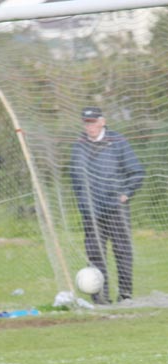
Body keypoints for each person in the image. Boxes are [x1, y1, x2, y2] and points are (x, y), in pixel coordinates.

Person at [70, 106, 145, 304]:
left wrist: (126, 195)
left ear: (102, 121)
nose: (90, 126)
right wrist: (83, 205)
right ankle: (100, 298)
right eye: (86, 122)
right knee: (95, 255)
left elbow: (137, 172)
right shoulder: (78, 146)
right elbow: (75, 179)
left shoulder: (118, 142)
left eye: (93, 122)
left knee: (122, 251)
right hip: (91, 213)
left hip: (115, 209)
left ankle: (125, 295)